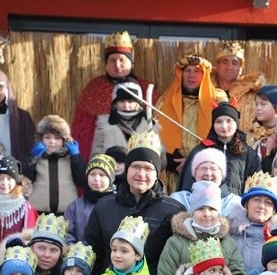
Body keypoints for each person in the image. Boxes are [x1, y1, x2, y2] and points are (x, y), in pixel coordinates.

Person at [85, 129, 184, 275]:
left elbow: (178, 260)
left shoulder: (173, 210)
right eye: (136, 167)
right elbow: (93, 251)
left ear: (156, 174)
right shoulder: (104, 206)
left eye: (148, 168)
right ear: (127, 169)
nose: (141, 174)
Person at [71, 31, 155, 161]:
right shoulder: (94, 88)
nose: (117, 65)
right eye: (112, 60)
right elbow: (82, 126)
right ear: (106, 64)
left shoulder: (146, 89)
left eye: (122, 60)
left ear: (131, 63)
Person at [157, 53, 224, 193]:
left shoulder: (218, 100)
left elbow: (225, 135)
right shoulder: (166, 100)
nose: (191, 75)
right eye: (187, 71)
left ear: (204, 75)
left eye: (197, 71)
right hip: (171, 171)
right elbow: (155, 134)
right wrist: (171, 160)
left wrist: (192, 161)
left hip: (205, 172)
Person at [178, 101, 261, 195]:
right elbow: (187, 187)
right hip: (204, 203)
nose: (224, 126)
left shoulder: (248, 154)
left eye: (229, 121)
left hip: (237, 204)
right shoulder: (201, 151)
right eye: (219, 121)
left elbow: (256, 188)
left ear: (236, 123)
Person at [226, 170, 277, 273]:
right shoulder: (229, 231)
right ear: (247, 203)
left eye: (268, 202)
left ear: (273, 210)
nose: (261, 206)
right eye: (257, 199)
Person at [25, 114, 85, 215]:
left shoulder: (70, 158)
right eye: (47, 137)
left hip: (66, 212)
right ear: (40, 138)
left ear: (64, 140)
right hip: (38, 212)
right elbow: (26, 179)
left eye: (57, 138)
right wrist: (33, 158)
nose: (52, 142)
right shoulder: (36, 157)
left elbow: (81, 180)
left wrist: (76, 157)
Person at [91, 80, 157, 158]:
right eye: (122, 101)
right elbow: (96, 155)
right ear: (115, 103)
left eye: (130, 101)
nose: (126, 106)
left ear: (138, 103)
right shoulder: (104, 125)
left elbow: (160, 158)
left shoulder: (150, 125)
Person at [168, 147, 242, 216]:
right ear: (195, 173)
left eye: (213, 168)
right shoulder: (179, 199)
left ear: (222, 174)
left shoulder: (234, 203)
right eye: (203, 168)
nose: (208, 173)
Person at [211, 42, 265, 134]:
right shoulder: (207, 93)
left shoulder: (254, 96)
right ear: (218, 66)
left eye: (234, 63)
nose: (229, 67)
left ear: (240, 69)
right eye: (225, 62)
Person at [64, 153, 117, 244]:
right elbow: (67, 234)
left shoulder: (119, 204)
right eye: (92, 174)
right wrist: (75, 249)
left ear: (111, 179)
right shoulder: (75, 207)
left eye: (102, 175)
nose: (96, 179)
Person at [247, 85, 277, 159]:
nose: (258, 108)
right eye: (256, 104)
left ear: (276, 106)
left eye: (263, 104)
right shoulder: (250, 135)